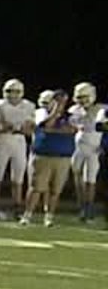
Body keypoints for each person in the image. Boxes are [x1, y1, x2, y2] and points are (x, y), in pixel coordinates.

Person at [23, 88, 74, 228]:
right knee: (36, 187)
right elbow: (46, 125)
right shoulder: (41, 112)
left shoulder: (70, 115)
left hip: (63, 156)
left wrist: (52, 130)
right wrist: (55, 112)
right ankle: (27, 215)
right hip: (43, 155)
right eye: (58, 100)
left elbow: (71, 130)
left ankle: (49, 217)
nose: (61, 103)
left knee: (55, 190)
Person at [0, 79, 33, 215]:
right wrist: (4, 127)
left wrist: (18, 128)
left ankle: (17, 206)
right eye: (9, 91)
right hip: (4, 140)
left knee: (18, 176)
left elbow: (29, 130)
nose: (12, 95)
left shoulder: (28, 106)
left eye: (15, 91)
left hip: (19, 141)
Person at [69, 82, 105, 222]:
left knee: (90, 179)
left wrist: (104, 144)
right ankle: (82, 206)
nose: (83, 100)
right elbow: (71, 127)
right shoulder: (74, 110)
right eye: (80, 97)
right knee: (77, 177)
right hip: (78, 147)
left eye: (85, 96)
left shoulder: (101, 109)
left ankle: (89, 208)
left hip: (94, 148)